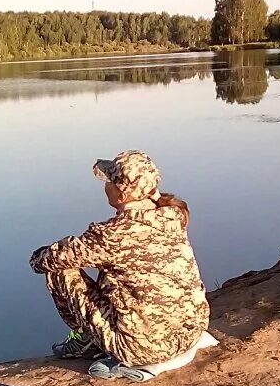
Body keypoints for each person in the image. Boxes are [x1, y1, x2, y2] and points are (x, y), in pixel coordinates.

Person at [29, 150, 209, 374]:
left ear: (122, 195)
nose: (105, 186)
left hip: (145, 348)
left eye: (109, 182)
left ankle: (84, 340)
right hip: (190, 332)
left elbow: (44, 261)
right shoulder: (172, 215)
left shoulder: (113, 235)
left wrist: (38, 255)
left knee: (58, 269)